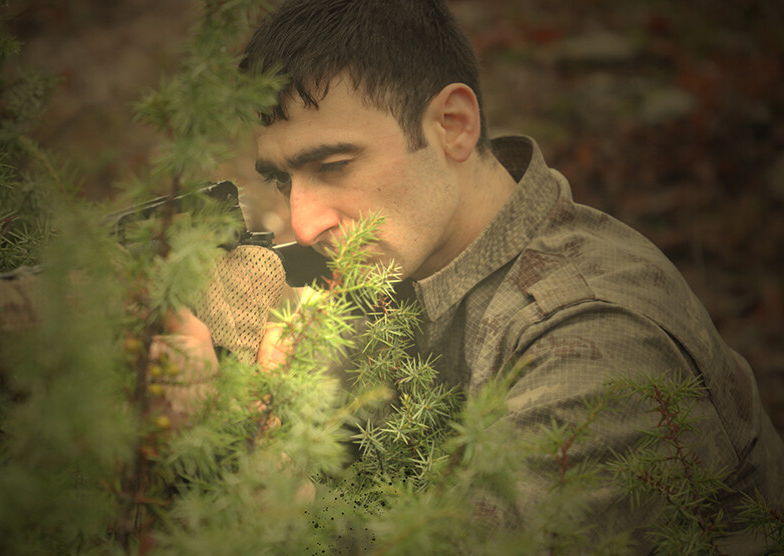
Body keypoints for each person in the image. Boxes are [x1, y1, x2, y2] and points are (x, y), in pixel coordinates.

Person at [176, 0, 782, 551]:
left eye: (333, 165)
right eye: (283, 180)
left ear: (453, 125)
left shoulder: (597, 335)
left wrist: (251, 458)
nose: (304, 223)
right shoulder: (398, 262)